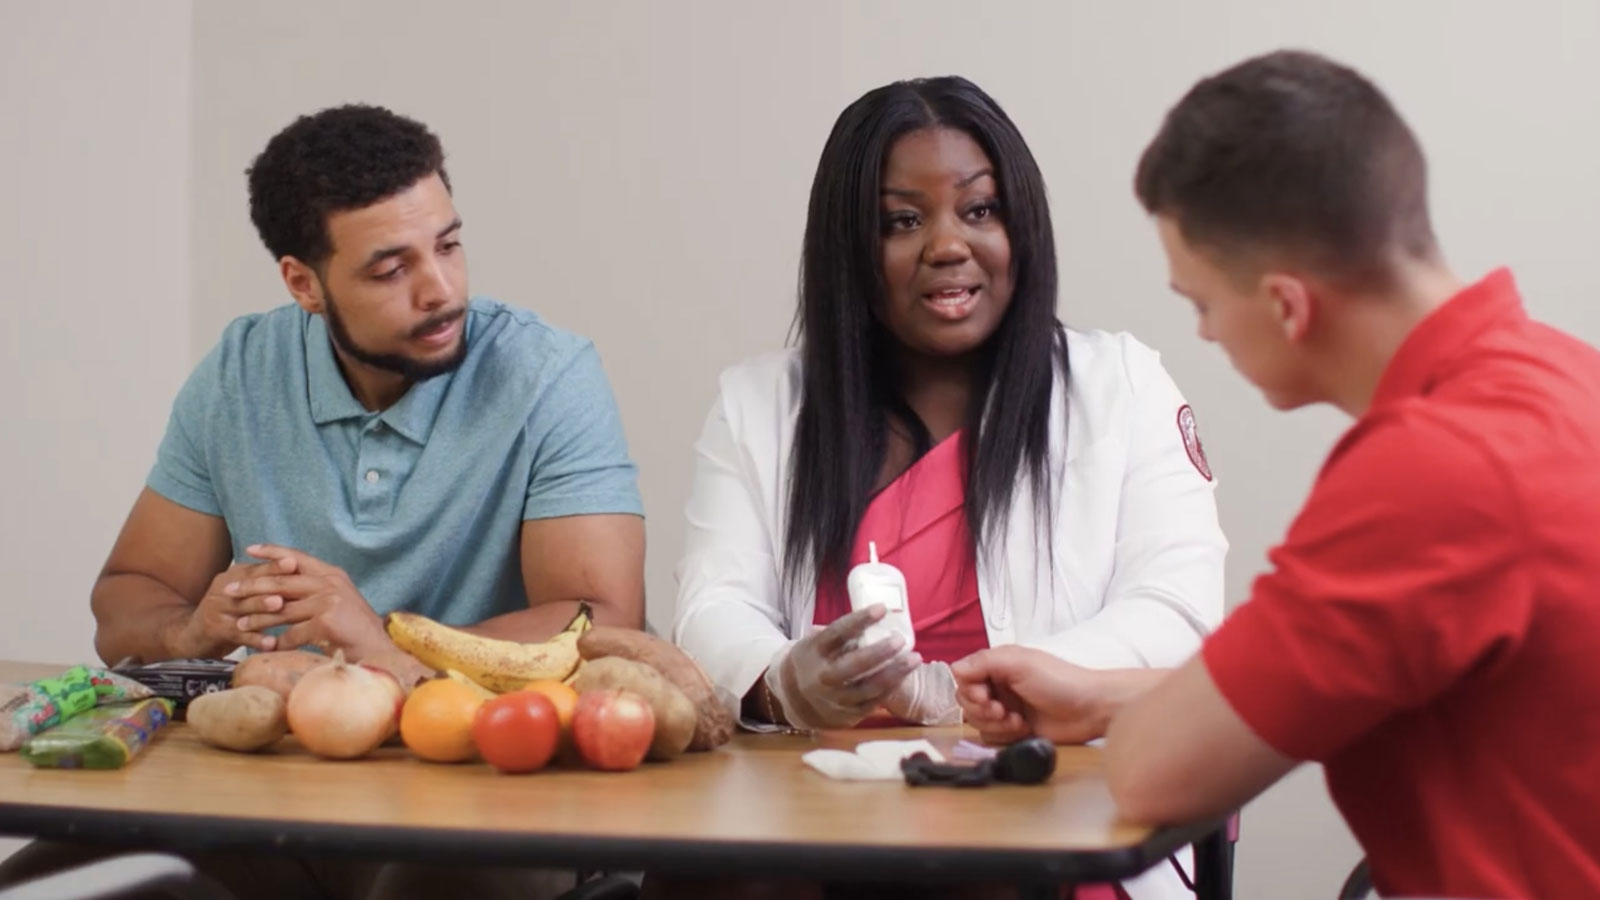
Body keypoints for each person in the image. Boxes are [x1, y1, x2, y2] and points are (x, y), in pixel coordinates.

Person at [954, 50, 1600, 900]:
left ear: (1287, 306)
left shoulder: (1429, 478)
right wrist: (1107, 697)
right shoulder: (1563, 377)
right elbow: (1358, 673)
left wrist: (1132, 721)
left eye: (1202, 303)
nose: (1208, 335)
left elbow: (1157, 776)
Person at [1, 104, 644, 900]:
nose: (441, 289)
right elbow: (125, 605)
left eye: (448, 245)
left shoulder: (549, 374)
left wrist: (377, 643)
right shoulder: (238, 372)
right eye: (390, 268)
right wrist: (193, 629)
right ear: (303, 282)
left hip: (483, 787)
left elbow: (601, 621)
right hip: (278, 787)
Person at [669, 76, 1226, 900]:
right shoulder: (759, 405)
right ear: (848, 248)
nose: (947, 245)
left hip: (1048, 821)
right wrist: (787, 680)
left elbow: (1176, 611)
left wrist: (982, 689)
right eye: (902, 220)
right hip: (813, 821)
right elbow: (710, 608)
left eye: (979, 210)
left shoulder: (1123, 385)